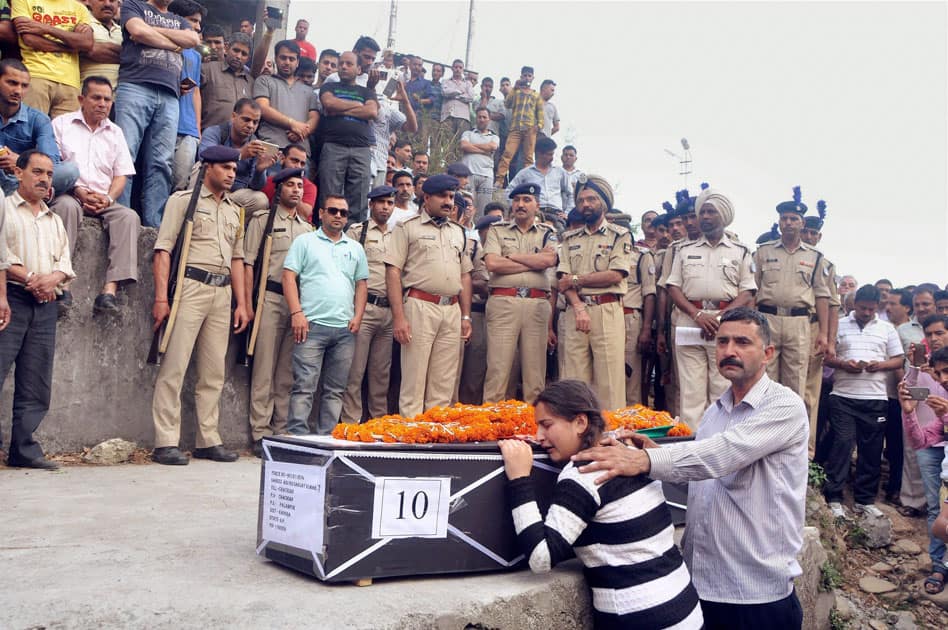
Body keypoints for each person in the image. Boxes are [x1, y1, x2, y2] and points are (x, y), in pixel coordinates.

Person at [574, 307, 808, 629]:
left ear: (767, 353)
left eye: (742, 342)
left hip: (756, 597)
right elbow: (707, 479)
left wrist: (644, 461)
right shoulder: (716, 412)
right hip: (700, 589)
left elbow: (722, 455)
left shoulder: (784, 407)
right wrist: (653, 454)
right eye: (722, 342)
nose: (729, 351)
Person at [498, 380, 703, 629]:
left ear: (581, 423)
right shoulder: (627, 452)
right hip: (686, 609)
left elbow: (541, 558)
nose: (539, 436)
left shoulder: (585, 473)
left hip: (642, 618)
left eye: (547, 425)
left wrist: (519, 478)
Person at [150, 146, 249, 466]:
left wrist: (242, 303)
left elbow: (237, 259)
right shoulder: (184, 201)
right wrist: (161, 298)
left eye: (234, 168)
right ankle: (165, 440)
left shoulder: (235, 209)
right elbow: (163, 249)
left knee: (213, 371)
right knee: (174, 365)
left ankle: (208, 438)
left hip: (222, 294)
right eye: (225, 167)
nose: (231, 173)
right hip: (189, 287)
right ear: (208, 168)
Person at [0, 150, 75, 469]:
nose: (45, 179)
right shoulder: (4, 208)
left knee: (36, 381)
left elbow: (65, 262)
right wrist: (31, 277)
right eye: (37, 172)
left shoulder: (54, 219)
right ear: (19, 173)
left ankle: (24, 450)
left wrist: (52, 279)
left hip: (45, 305)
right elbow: (2, 253)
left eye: (48, 174)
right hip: (12, 299)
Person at [384, 174, 473, 417]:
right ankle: (410, 445)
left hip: (451, 309)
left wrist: (466, 316)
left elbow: (465, 275)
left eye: (452, 197)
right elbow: (393, 272)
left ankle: (434, 441)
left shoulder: (459, 232)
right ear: (427, 198)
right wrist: (399, 317)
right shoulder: (407, 227)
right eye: (443, 196)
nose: (448, 202)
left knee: (443, 383)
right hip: (419, 305)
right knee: (414, 379)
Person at [665, 187, 755, 427]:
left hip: (724, 327)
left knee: (721, 387)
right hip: (689, 321)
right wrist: (697, 314)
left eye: (710, 212)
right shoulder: (684, 250)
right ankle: (690, 448)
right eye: (702, 212)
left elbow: (747, 290)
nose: (704, 217)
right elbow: (673, 287)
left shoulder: (740, 251)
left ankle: (719, 445)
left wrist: (720, 317)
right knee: (690, 392)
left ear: (723, 216)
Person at [50, 76, 139, 313]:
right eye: (96, 98)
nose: (102, 104)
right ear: (82, 99)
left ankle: (108, 292)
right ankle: (62, 285)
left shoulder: (116, 132)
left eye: (107, 99)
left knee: (129, 217)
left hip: (103, 198)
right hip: (71, 193)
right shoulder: (61, 124)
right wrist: (77, 191)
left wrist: (108, 198)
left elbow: (122, 175)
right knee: (65, 208)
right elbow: (54, 167)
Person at [283, 194, 368, 435]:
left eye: (343, 212)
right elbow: (289, 276)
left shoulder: (355, 248)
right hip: (311, 326)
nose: (338, 216)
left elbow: (361, 284)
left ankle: (326, 440)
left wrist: (358, 316)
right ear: (321, 213)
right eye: (333, 211)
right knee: (304, 386)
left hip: (344, 329)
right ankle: (298, 438)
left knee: (336, 389)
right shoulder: (305, 242)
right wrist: (296, 313)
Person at [243, 168, 311, 456]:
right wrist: (246, 303)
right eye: (290, 185)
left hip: (297, 304)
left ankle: (281, 430)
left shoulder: (308, 229)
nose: (296, 190)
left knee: (286, 372)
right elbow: (248, 263)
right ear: (279, 189)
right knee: (264, 368)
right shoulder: (264, 220)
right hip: (269, 298)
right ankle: (260, 432)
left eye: (299, 186)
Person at [113, 0, 199, 228]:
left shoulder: (180, 19)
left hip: (170, 95)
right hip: (135, 85)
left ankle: (154, 224)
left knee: (162, 161)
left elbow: (193, 40)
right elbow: (137, 31)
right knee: (125, 153)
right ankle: (120, 215)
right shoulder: (134, 6)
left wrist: (153, 32)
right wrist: (174, 43)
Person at [822, 284, 904, 518]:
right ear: (854, 305)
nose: (867, 312)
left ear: (877, 306)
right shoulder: (839, 325)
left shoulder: (887, 329)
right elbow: (826, 358)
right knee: (843, 443)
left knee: (872, 450)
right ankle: (834, 496)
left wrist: (880, 365)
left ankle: (865, 499)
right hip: (843, 396)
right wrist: (844, 364)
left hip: (875, 397)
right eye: (862, 308)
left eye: (871, 309)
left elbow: (898, 360)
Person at [555, 174, 632, 410]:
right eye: (581, 200)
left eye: (591, 199)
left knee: (610, 379)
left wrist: (577, 279)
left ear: (603, 203)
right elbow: (561, 279)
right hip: (575, 311)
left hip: (606, 310)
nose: (585, 205)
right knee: (573, 379)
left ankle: (612, 436)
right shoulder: (569, 239)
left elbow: (615, 274)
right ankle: (575, 436)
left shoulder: (620, 235)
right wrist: (578, 307)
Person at [482, 183, 557, 404]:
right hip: (504, 302)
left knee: (535, 375)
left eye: (526, 200)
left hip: (536, 304)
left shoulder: (548, 233)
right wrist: (533, 262)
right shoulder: (497, 230)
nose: (520, 205)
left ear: (537, 205)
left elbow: (548, 260)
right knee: (498, 370)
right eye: (517, 200)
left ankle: (537, 429)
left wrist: (512, 256)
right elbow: (493, 264)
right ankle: (490, 426)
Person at [753, 187, 831, 398]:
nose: (788, 222)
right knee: (764, 379)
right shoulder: (763, 252)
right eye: (784, 218)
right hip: (767, 319)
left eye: (793, 219)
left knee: (795, 382)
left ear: (802, 223)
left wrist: (823, 333)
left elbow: (822, 295)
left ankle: (792, 430)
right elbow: (752, 290)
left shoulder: (815, 257)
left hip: (799, 323)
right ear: (779, 222)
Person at [898, 321, 948, 593]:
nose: (933, 338)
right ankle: (940, 566)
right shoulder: (923, 368)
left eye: (939, 332)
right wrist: (908, 411)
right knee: (937, 509)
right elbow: (919, 438)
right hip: (934, 446)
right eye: (928, 334)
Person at [341, 186, 396, 424]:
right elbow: (346, 269)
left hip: (390, 310)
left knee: (381, 374)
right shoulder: (357, 232)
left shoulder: (398, 235)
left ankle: (378, 423)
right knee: (355, 371)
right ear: (371, 204)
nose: (386, 207)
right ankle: (351, 423)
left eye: (390, 203)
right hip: (365, 307)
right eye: (381, 202)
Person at [0, 59, 79, 198]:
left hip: (22, 179)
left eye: (24, 86)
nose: (18, 91)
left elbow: (51, 162)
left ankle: (22, 195)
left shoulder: (39, 119)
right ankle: (32, 196)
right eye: (12, 83)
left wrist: (20, 163)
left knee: (70, 170)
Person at [799, 200, 841, 456]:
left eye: (814, 233)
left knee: (809, 393)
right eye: (807, 232)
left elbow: (833, 305)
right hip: (790, 325)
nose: (810, 237)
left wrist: (830, 340)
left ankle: (807, 450)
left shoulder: (824, 264)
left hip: (814, 328)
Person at [317, 50, 378, 222]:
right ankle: (326, 236)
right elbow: (329, 103)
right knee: (329, 196)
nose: (343, 66)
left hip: (361, 149)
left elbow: (372, 111)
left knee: (359, 198)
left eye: (349, 64)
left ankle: (353, 238)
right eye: (341, 63)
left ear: (359, 69)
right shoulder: (329, 87)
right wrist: (358, 106)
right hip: (333, 146)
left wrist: (339, 107)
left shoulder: (367, 92)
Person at [11, 0, 93, 118]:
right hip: (36, 77)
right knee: (30, 132)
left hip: (70, 83)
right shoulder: (22, 1)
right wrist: (70, 47)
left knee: (67, 135)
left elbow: (87, 43)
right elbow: (30, 39)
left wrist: (45, 28)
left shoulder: (79, 8)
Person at [197, 98, 276, 215]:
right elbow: (203, 157)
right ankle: (197, 212)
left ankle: (233, 227)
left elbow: (256, 186)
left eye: (255, 122)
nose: (251, 126)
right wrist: (239, 154)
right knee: (199, 168)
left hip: (235, 196)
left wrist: (260, 170)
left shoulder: (256, 144)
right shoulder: (215, 132)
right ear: (233, 116)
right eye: (246, 120)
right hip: (210, 190)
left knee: (260, 200)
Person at [253, 40, 319, 157]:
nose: (287, 62)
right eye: (283, 58)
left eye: (291, 59)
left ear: (297, 62)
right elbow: (262, 108)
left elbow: (315, 117)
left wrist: (302, 132)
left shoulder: (309, 91)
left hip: (300, 152)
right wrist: (292, 124)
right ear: (276, 58)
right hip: (271, 148)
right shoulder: (264, 81)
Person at [169, 0, 204, 192]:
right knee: (158, 172)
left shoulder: (196, 56)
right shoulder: (163, 44)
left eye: (199, 22)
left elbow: (196, 91)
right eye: (193, 21)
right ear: (176, 19)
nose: (198, 27)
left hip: (188, 127)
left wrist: (197, 128)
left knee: (182, 181)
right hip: (166, 121)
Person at [505, 135, 571, 229]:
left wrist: (567, 212)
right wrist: (517, 208)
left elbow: (571, 193)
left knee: (559, 235)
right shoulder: (525, 173)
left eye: (552, 154)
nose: (552, 157)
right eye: (549, 154)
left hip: (556, 214)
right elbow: (509, 191)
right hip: (535, 212)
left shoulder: (560, 172)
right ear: (539, 154)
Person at [494, 66, 543, 188]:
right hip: (515, 128)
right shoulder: (516, 92)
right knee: (507, 154)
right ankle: (499, 180)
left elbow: (540, 113)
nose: (527, 78)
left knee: (528, 158)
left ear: (533, 78)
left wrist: (539, 126)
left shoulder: (536, 95)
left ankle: (528, 182)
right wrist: (515, 87)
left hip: (530, 129)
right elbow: (507, 104)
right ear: (521, 76)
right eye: (525, 75)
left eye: (529, 76)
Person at [623, 238, 657, 405]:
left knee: (631, 374)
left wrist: (646, 329)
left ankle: (631, 421)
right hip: (603, 316)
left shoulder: (641, 256)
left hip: (630, 317)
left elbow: (649, 293)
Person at [200, 32, 253, 132]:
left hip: (238, 141)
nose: (238, 56)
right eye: (236, 50)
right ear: (227, 48)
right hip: (209, 136)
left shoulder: (250, 82)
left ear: (248, 58)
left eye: (244, 54)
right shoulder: (207, 69)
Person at [459, 107, 498, 218]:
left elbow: (493, 146)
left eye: (484, 117)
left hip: (486, 176)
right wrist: (484, 150)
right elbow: (464, 146)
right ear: (476, 118)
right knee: (466, 208)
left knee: (484, 210)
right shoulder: (468, 133)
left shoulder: (494, 137)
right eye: (479, 117)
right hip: (469, 173)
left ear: (489, 119)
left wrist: (472, 146)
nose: (481, 119)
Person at [261, 144, 316, 221]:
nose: (298, 166)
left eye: (302, 163)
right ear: (282, 159)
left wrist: (295, 192)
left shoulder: (309, 186)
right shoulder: (268, 181)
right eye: (294, 161)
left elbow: (304, 215)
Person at [79, 0, 122, 87]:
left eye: (112, 0)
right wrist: (123, 53)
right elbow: (85, 49)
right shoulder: (82, 24)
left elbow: (133, 56)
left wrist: (92, 47)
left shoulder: (124, 31)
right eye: (101, 0)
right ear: (88, 2)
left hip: (119, 94)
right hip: (88, 93)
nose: (107, 4)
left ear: (118, 4)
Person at [439, 58, 474, 163]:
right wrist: (459, 92)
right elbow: (444, 92)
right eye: (456, 67)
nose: (458, 70)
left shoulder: (468, 83)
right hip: (447, 116)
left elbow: (471, 97)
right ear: (452, 68)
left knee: (461, 145)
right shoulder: (445, 81)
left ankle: (459, 169)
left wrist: (454, 95)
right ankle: (448, 166)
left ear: (463, 69)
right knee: (446, 145)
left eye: (460, 67)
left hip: (463, 117)